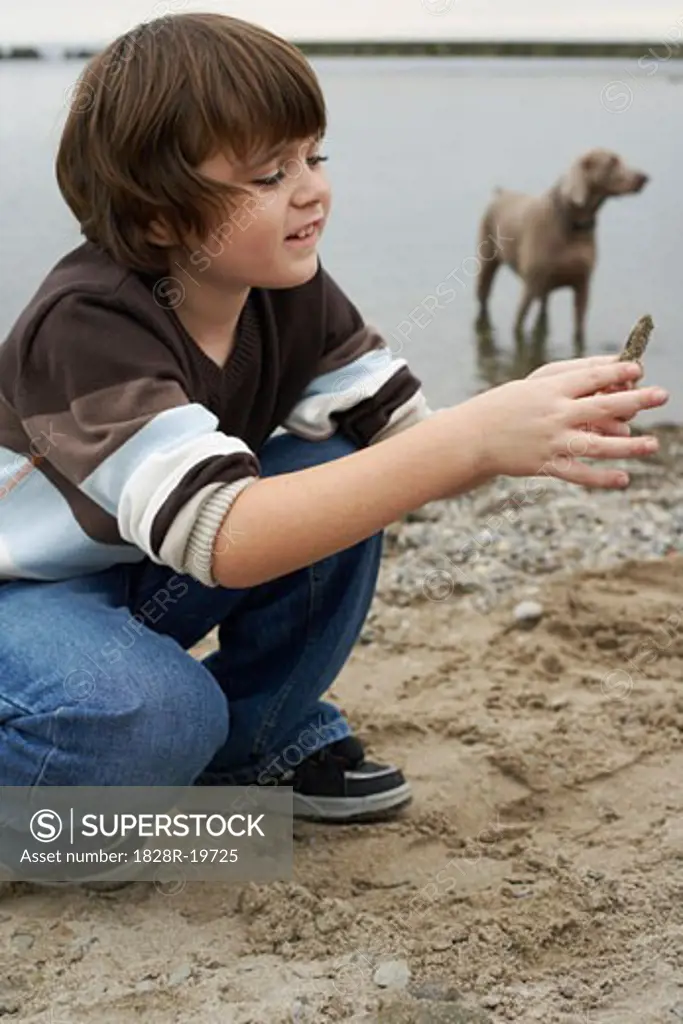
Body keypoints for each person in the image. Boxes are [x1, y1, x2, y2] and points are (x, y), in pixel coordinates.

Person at [0, 12, 668, 825]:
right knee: (157, 714)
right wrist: (473, 437)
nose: (312, 187)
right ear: (157, 218)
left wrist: (524, 421)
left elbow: (405, 445)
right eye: (267, 176)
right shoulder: (89, 323)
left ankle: (256, 748)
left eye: (313, 155)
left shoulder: (289, 289)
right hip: (27, 592)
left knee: (337, 460)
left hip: (137, 570)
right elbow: (225, 536)